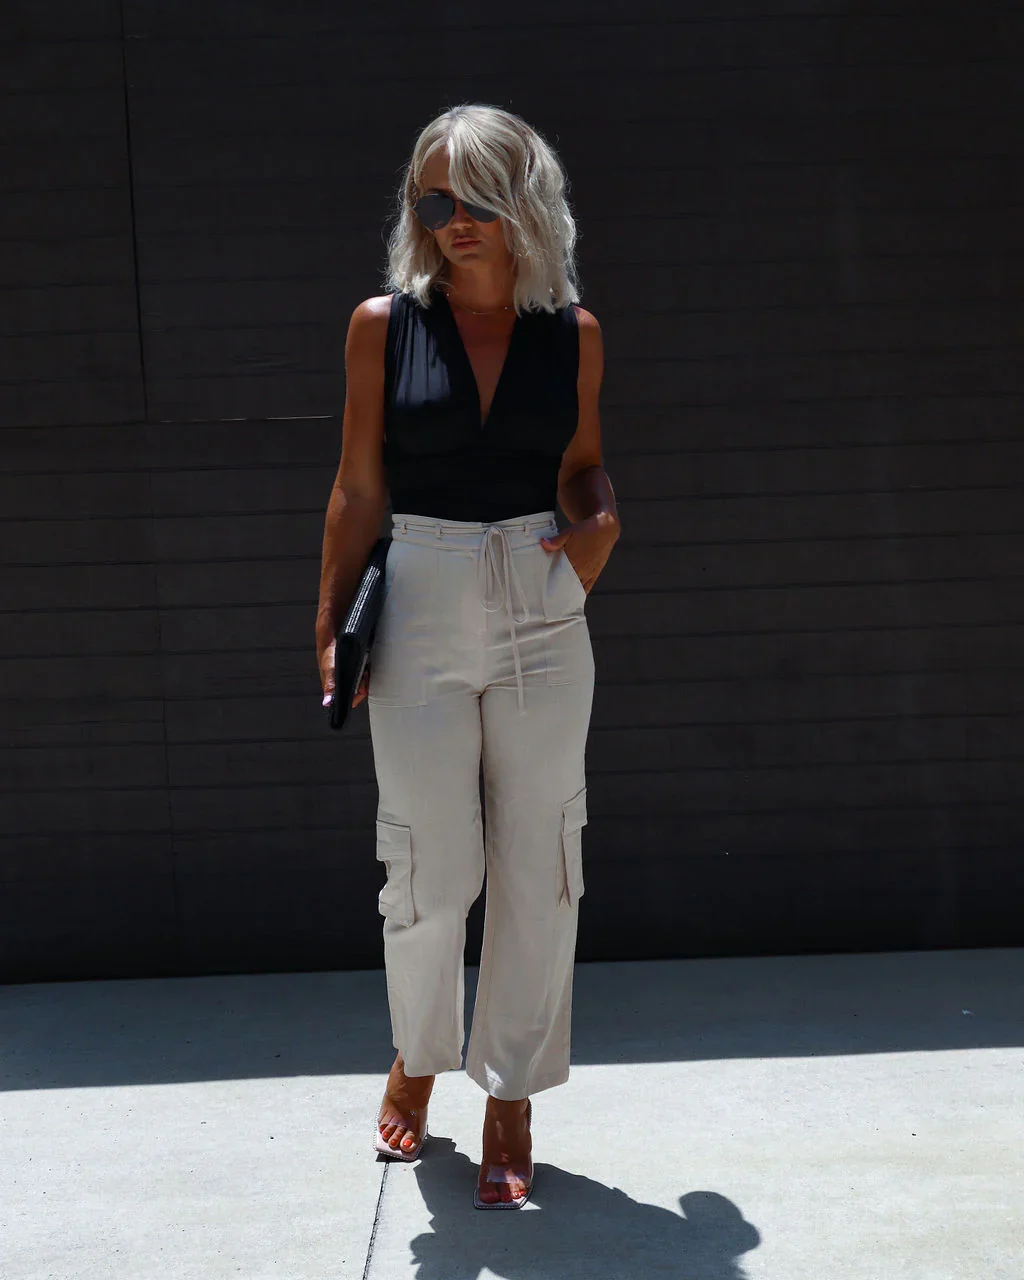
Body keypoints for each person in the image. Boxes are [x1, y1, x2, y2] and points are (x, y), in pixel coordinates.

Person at [315, 103, 620, 1209]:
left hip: (540, 598)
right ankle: (418, 1054)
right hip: (424, 594)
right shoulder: (380, 326)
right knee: (427, 864)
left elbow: (579, 464)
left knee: (540, 861)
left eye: (477, 198)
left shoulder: (573, 334)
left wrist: (599, 523)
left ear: (523, 202)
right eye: (434, 200)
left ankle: (511, 1093)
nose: (455, 221)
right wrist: (330, 621)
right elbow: (359, 486)